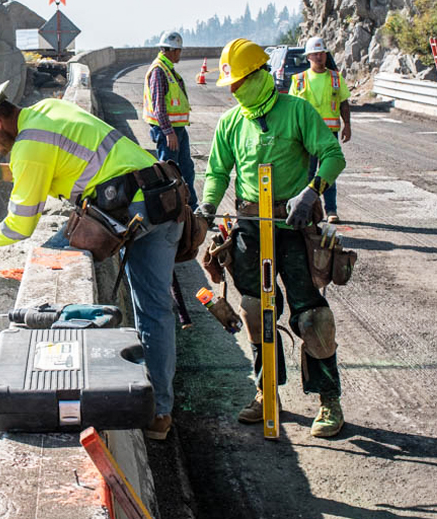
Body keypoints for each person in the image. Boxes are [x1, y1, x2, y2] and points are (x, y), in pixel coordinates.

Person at [0, 79, 184, 440]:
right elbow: (56, 160)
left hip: (126, 208)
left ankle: (66, 381)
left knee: (54, 261)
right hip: (164, 197)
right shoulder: (47, 110)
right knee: (155, 310)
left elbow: (19, 226)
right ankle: (159, 414)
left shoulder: (26, 147)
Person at [196, 38, 348, 438]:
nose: (233, 89)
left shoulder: (297, 111)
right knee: (255, 311)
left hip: (294, 230)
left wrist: (312, 191)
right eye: (230, 84)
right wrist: (207, 208)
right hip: (249, 229)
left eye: (239, 81)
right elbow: (216, 173)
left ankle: (329, 399)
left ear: (260, 75)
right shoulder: (231, 123)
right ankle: (267, 394)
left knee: (313, 318)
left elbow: (333, 155)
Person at [287, 36, 351, 223]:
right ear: (308, 57)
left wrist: (347, 125)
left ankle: (331, 210)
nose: (319, 57)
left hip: (329, 134)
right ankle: (305, 209)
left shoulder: (335, 78)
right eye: (315, 54)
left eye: (321, 53)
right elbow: (292, 109)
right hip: (306, 135)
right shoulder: (299, 80)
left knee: (327, 173)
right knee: (306, 174)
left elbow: (343, 103)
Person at [144, 30, 198, 210]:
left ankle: (191, 207)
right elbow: (159, 106)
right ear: (172, 50)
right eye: (179, 50)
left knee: (186, 169)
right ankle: (168, 211)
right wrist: (169, 132)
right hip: (168, 132)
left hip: (178, 129)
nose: (180, 54)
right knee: (168, 174)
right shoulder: (159, 71)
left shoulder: (168, 69)